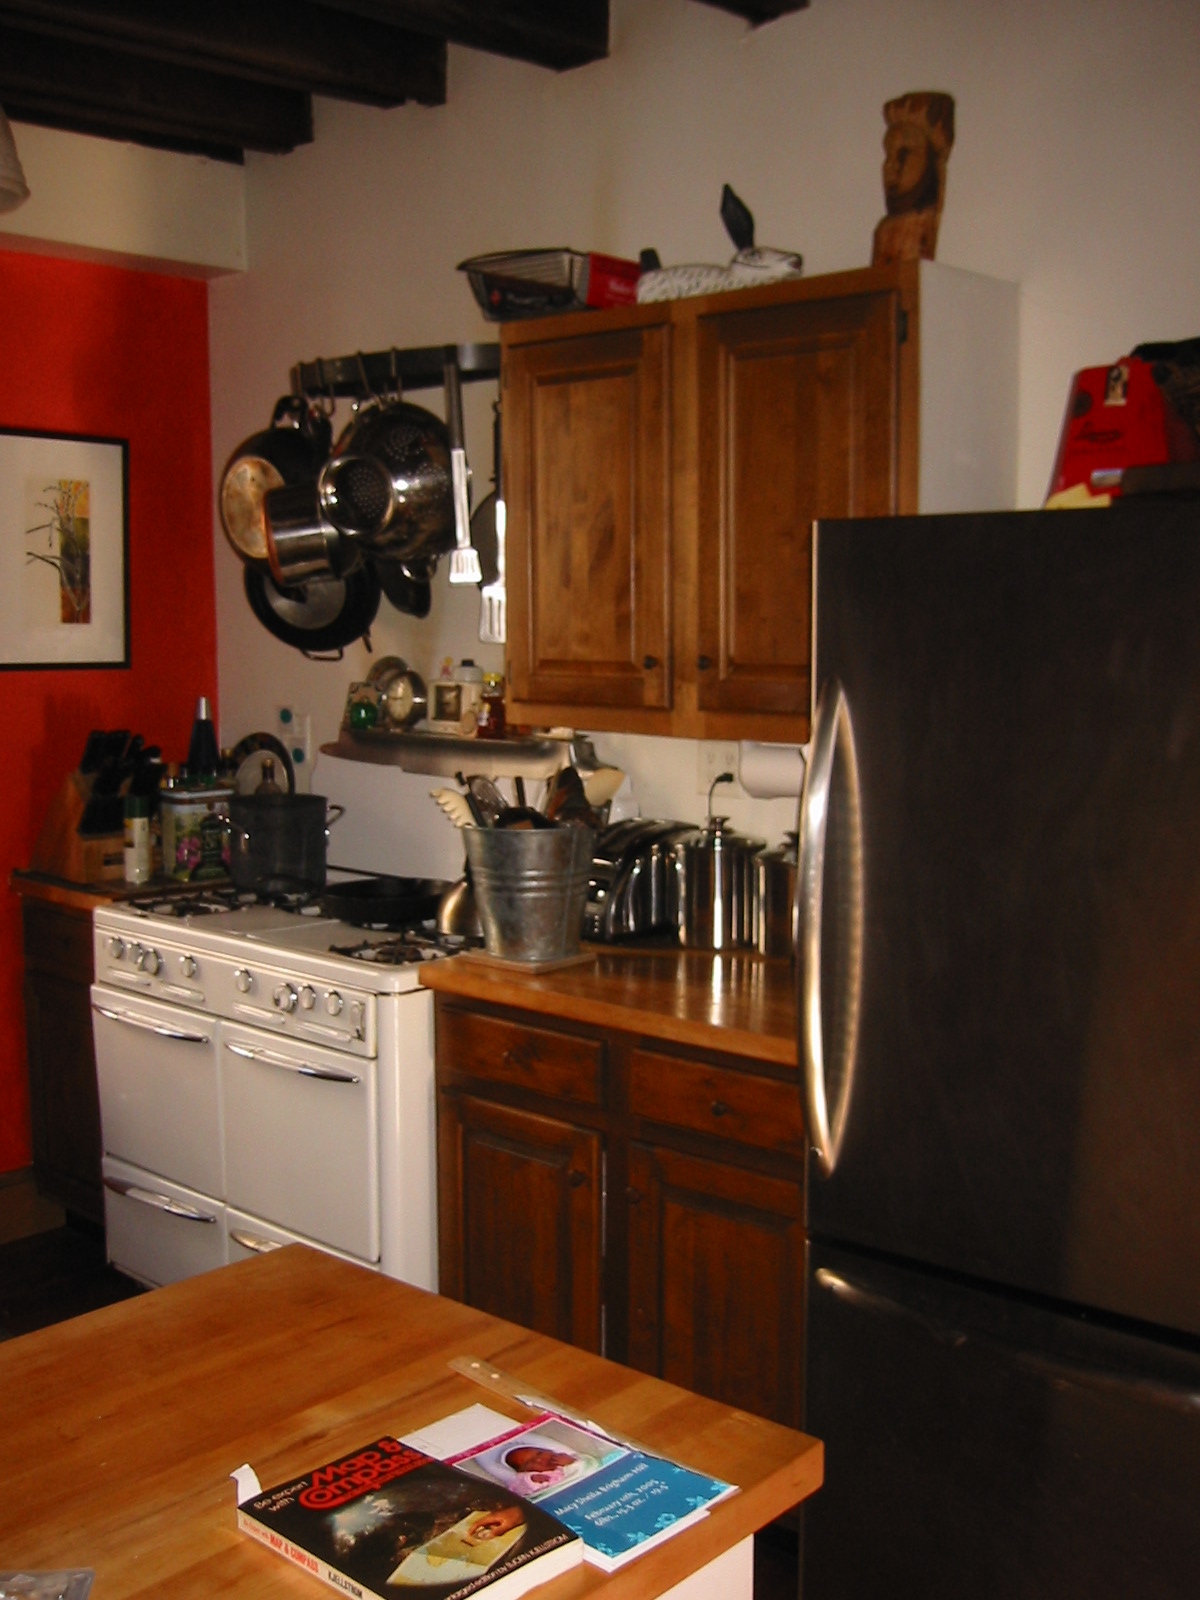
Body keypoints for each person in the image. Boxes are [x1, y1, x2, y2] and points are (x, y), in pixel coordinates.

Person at [871, 91, 956, 266]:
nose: (890, 166)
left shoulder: (921, 224)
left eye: (904, 153)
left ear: (931, 161)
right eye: (888, 155)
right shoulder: (883, 231)